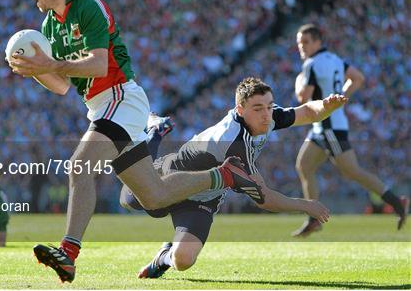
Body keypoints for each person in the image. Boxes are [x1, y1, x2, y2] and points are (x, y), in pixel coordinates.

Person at [7, 0, 261, 283]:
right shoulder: (48, 26)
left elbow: (99, 65)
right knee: (152, 196)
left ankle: (68, 254)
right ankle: (223, 176)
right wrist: (34, 70)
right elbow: (61, 86)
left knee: (78, 166)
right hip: (101, 107)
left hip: (121, 98)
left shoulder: (88, 6)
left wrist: (50, 64)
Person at [121, 77, 338, 278]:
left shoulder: (268, 116)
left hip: (204, 196)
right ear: (240, 110)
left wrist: (326, 106)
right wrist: (305, 205)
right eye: (258, 108)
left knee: (184, 260)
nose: (267, 114)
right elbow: (264, 199)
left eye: (270, 106)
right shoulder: (232, 145)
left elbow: (308, 112)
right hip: (174, 178)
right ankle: (155, 133)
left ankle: (164, 256)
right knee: (128, 200)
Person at [292, 23, 408, 237]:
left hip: (328, 126)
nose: (302, 47)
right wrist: (340, 98)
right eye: (300, 43)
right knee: (304, 165)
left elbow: (302, 97)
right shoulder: (335, 60)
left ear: (318, 41)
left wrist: (298, 81)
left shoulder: (311, 64)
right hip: (326, 125)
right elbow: (358, 78)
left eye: (306, 42)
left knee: (351, 170)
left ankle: (396, 201)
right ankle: (313, 218)